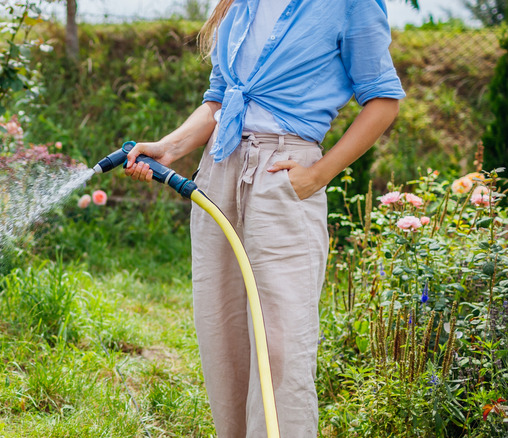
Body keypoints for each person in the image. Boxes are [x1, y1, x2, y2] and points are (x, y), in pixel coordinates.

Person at [125, 0, 405, 436]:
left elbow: (383, 101)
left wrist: (318, 174)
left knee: (281, 347)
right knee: (223, 337)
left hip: (282, 174)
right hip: (218, 172)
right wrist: (170, 147)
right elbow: (220, 99)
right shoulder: (243, 4)